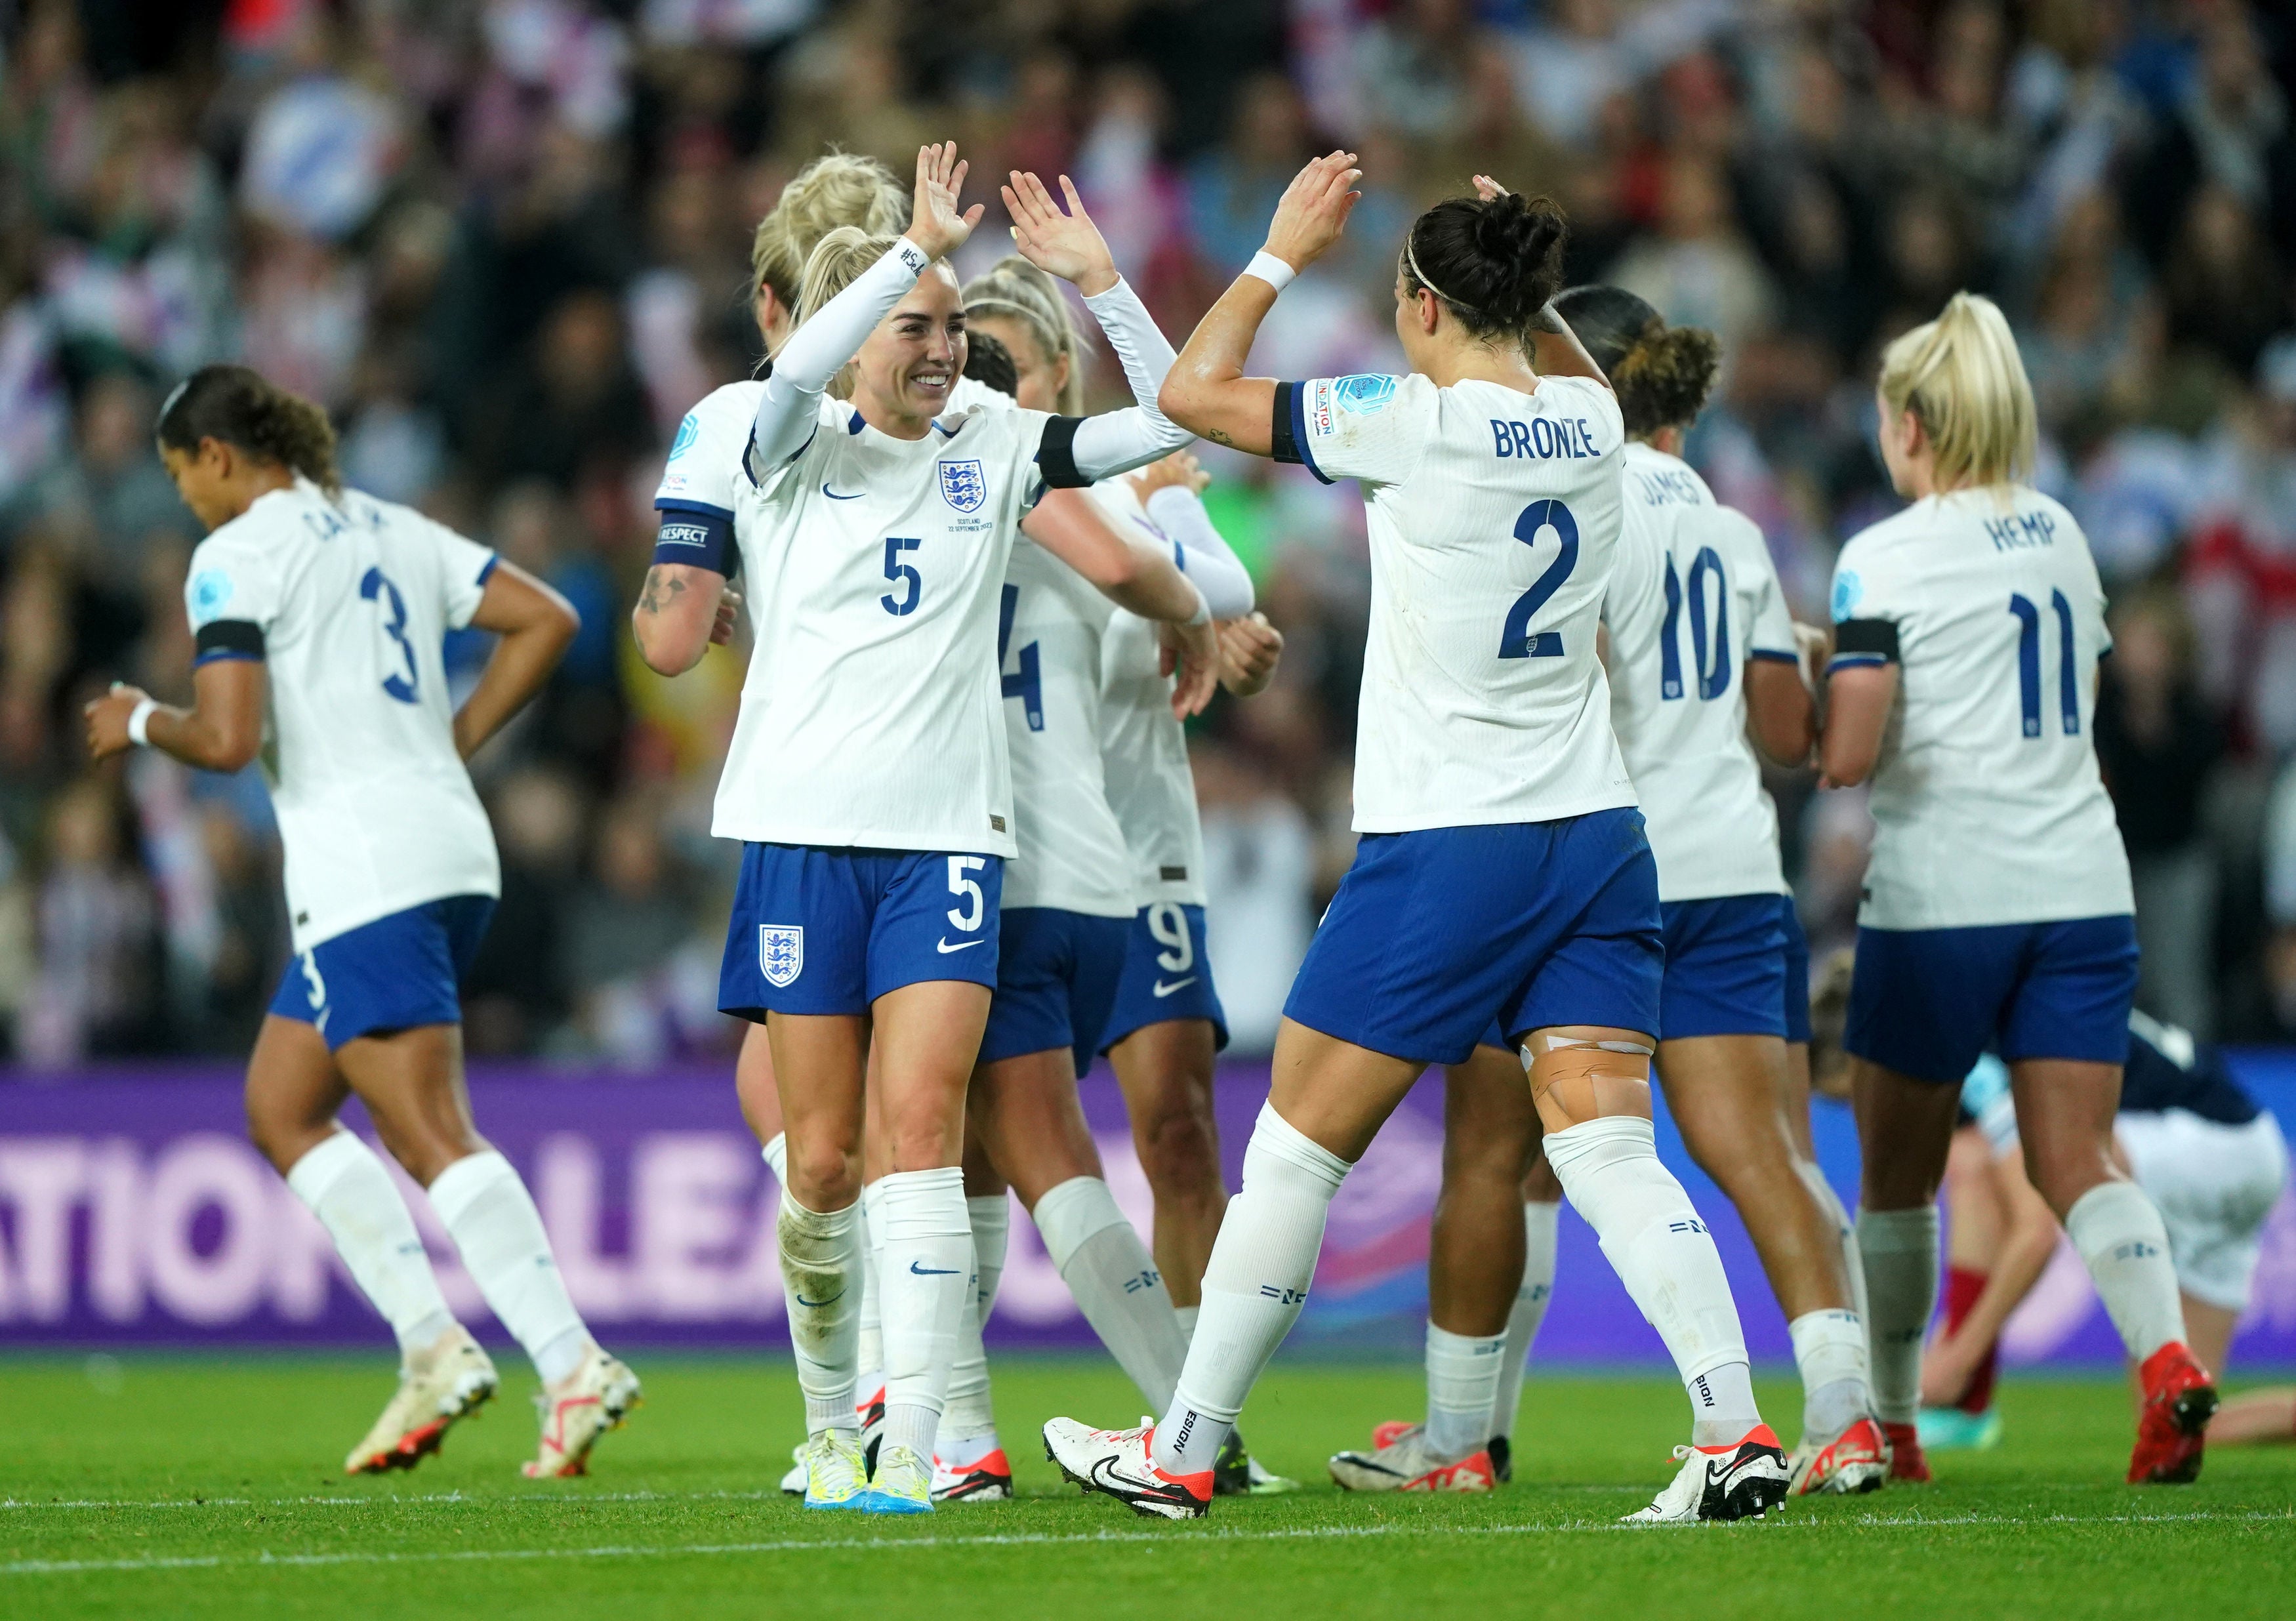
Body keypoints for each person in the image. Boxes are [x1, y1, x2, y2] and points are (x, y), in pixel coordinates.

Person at [1044, 155, 1790, 1525]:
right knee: (1609, 1149)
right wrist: (1520, 271)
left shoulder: (1410, 419)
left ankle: (1186, 1445)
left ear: (1425, 307)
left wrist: (1274, 252)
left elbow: (1191, 397)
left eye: (1399, 297)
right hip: (1598, 835)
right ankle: (1733, 1425)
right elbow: (1548, 351)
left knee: (1292, 1152)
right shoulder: (1584, 413)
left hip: (1452, 838)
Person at [656, 142, 1218, 1517]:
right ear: (859, 336)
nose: (943, 350)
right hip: (800, 837)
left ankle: (913, 1446)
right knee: (825, 1161)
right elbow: (795, 376)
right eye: (916, 328)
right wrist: (909, 254)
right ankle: (826, 1425)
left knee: (920, 1132)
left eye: (953, 327)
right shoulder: (773, 435)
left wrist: (1108, 292)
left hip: (948, 846)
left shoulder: (992, 440)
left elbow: (1169, 423)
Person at [1329, 280, 1884, 1498]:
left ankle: (1461, 1438)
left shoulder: (1571, 488)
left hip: (1578, 873)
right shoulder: (1736, 531)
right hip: (1734, 873)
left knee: (1500, 1160)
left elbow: (1552, 672)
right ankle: (1846, 1414)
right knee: (1767, 1158)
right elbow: (1790, 732)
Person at [84, 364, 639, 1480]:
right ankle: (432, 1344)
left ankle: (571, 1359)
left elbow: (232, 739)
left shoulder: (234, 556)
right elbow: (547, 618)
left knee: (429, 1128)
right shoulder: (391, 523)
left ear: (221, 457)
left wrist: (142, 718)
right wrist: (451, 741)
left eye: (182, 473)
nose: (186, 498)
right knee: (282, 1105)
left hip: (366, 870)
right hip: (446, 848)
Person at [1818, 291, 2219, 1487]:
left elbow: (1846, 756)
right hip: (2083, 885)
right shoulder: (2062, 533)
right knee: (2080, 1157)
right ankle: (2167, 1368)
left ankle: (1893, 1420)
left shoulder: (1879, 557)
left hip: (1947, 890)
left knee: (1897, 1177)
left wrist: (1800, 672)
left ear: (1910, 429)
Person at [912, 260, 1288, 1504]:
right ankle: (974, 1425)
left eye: (1003, 364)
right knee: (976, 1148)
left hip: (1110, 849)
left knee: (1144, 1134)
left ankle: (1174, 1423)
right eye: (966, 361)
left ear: (1056, 374)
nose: (976, 384)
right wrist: (1198, 605)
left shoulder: (1098, 479)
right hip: (1032, 850)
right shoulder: (967, 476)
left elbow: (1212, 582)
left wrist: (1201, 605)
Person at [1916, 1014, 2289, 1452]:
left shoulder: (1991, 1051)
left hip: (2201, 1144)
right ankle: (1964, 1395)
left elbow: (2035, 1233)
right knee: (2177, 1419)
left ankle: (1966, 1398)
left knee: (1979, 1157)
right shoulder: (2036, 1000)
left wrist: (1959, 1357)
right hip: (2249, 1151)